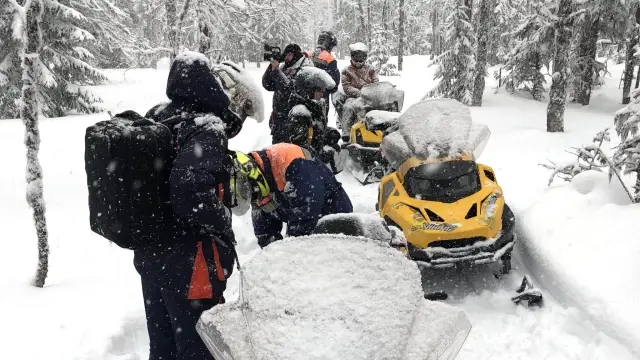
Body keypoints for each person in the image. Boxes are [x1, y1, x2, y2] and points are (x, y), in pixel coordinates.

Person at [135, 51, 244, 360]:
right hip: (190, 261)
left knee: (163, 343)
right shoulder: (206, 127)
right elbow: (189, 190)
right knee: (200, 346)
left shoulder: (157, 115)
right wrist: (221, 218)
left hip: (151, 252)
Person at [229, 142, 353, 248]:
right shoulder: (258, 191)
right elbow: (265, 232)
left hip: (336, 223)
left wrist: (291, 248)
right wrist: (274, 254)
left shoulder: (289, 160)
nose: (254, 201)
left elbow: (308, 208)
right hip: (307, 234)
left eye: (251, 196)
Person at [262, 43, 314, 144]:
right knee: (277, 150)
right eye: (285, 55)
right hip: (279, 118)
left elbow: (290, 89)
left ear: (296, 56)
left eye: (289, 55)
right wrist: (271, 67)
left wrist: (277, 71)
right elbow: (267, 85)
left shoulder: (305, 68)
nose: (286, 58)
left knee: (292, 152)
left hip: (296, 119)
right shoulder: (284, 68)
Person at [338, 42, 379, 137]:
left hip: (370, 98)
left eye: (361, 57)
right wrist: (360, 93)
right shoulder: (346, 71)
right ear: (352, 56)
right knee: (348, 107)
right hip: (353, 97)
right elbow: (347, 87)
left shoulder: (372, 69)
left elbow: (376, 84)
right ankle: (346, 133)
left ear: (365, 57)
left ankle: (381, 133)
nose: (358, 60)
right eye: (356, 57)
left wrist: (371, 92)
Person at [306, 31, 341, 117]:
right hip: (321, 97)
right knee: (321, 123)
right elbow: (334, 83)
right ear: (329, 44)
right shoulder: (329, 58)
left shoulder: (308, 55)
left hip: (304, 96)